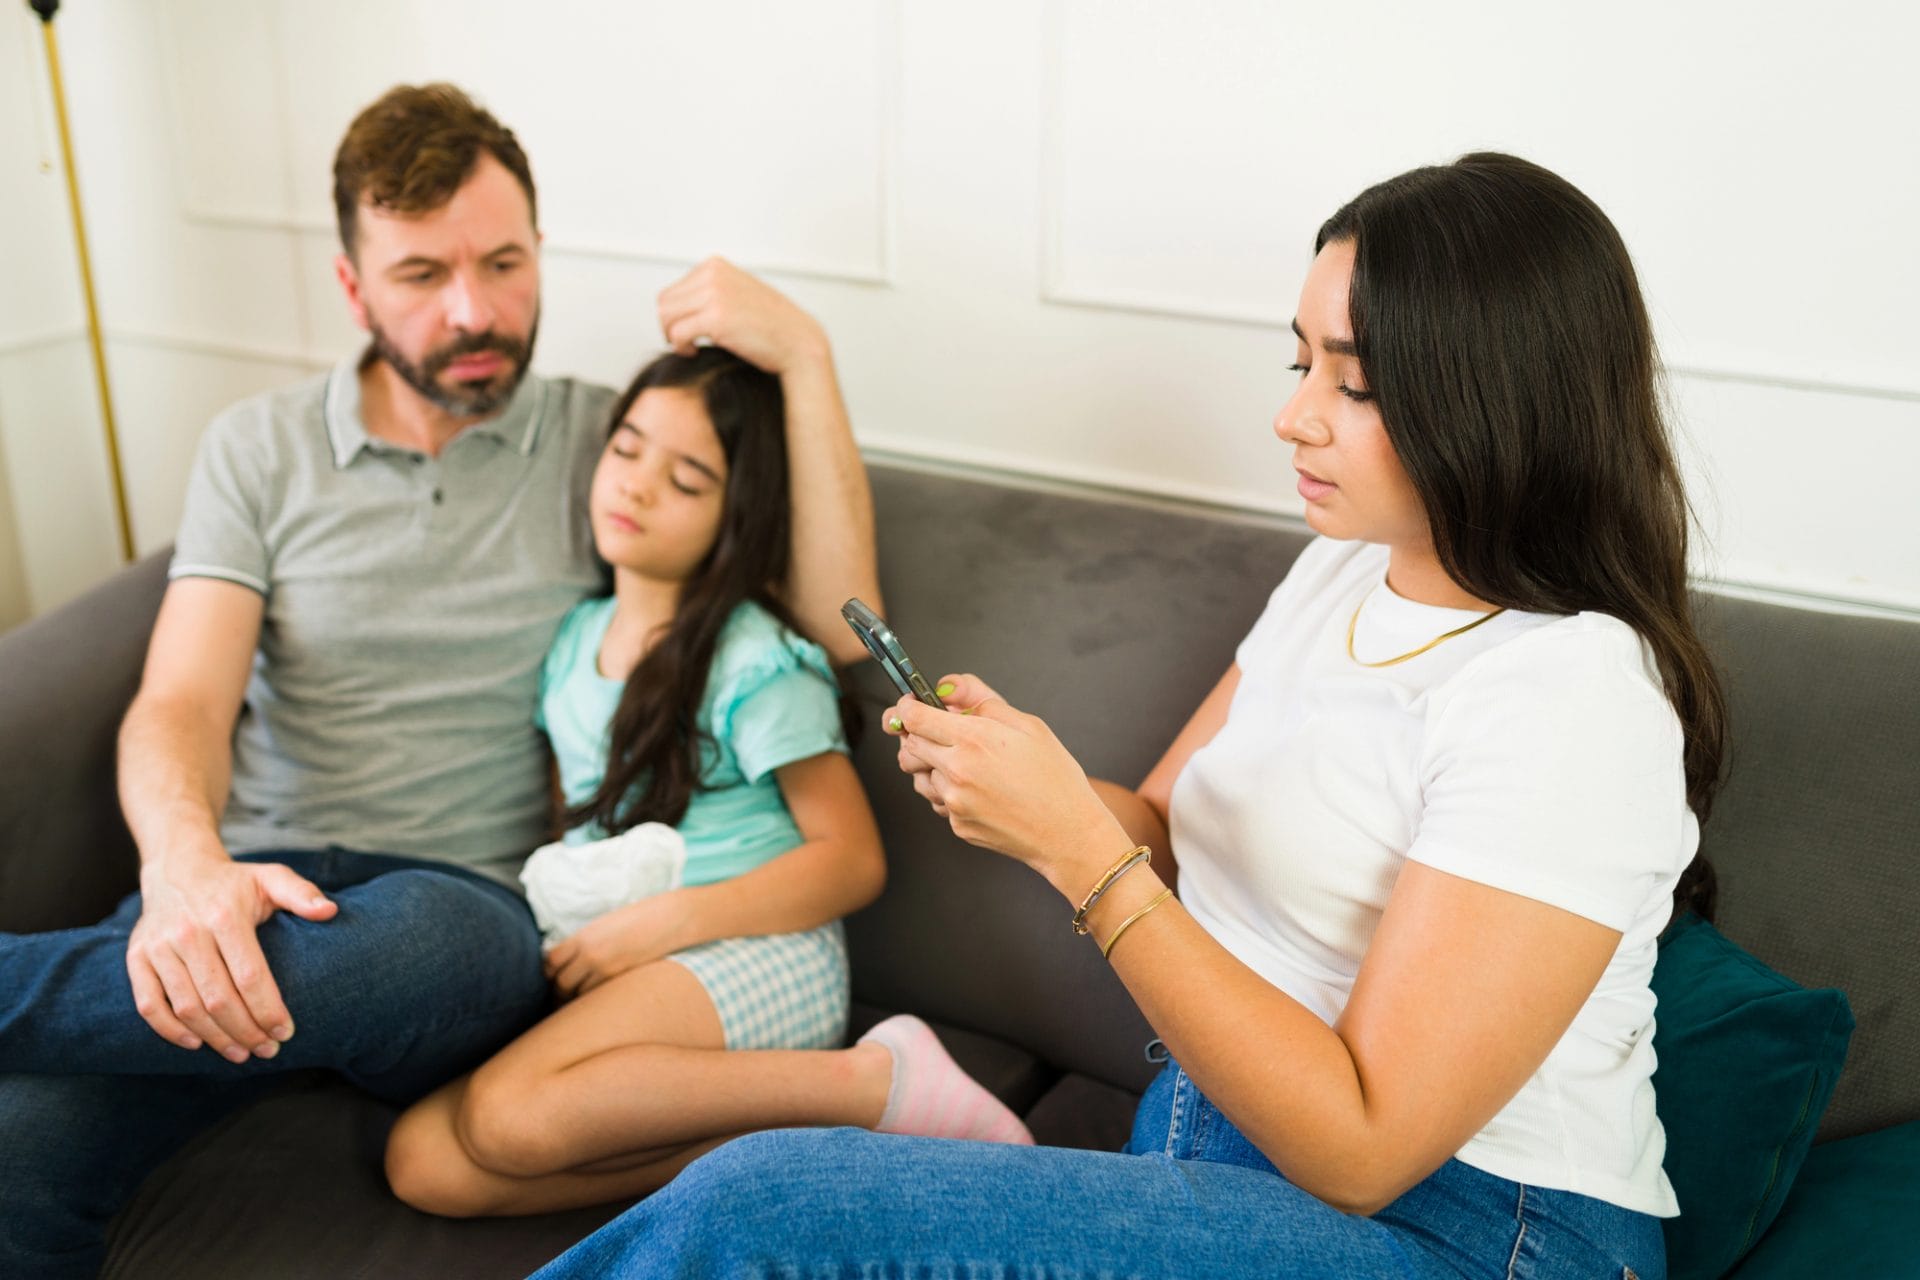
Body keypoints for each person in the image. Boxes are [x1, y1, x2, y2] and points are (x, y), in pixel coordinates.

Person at [527, 152, 1727, 1280]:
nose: (1295, 415)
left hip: (1463, 1227)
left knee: (758, 1204)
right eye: (1297, 361)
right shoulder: (1346, 571)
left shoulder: (1570, 697)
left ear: (1494, 406)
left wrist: (1072, 846)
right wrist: (1021, 780)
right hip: (1210, 1141)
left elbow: (1366, 1141)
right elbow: (1154, 820)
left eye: (1352, 382)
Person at [0, 83, 880, 1278]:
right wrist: (184, 869)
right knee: (22, 1148)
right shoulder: (258, 450)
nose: (476, 310)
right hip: (247, 888)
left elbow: (836, 633)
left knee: (414, 944)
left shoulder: (609, 445)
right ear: (354, 288)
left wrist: (808, 355)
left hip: (458, 916)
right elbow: (181, 705)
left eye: (504, 262)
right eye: (422, 275)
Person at [382, 348, 1031, 1217]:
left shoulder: (753, 659)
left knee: (505, 1118)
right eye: (627, 449)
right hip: (640, 955)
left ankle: (872, 1081)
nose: (639, 486)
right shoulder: (575, 640)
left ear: (736, 516)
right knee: (422, 1162)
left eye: (687, 480)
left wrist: (655, 927)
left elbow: (852, 862)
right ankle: (764, 1147)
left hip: (755, 947)